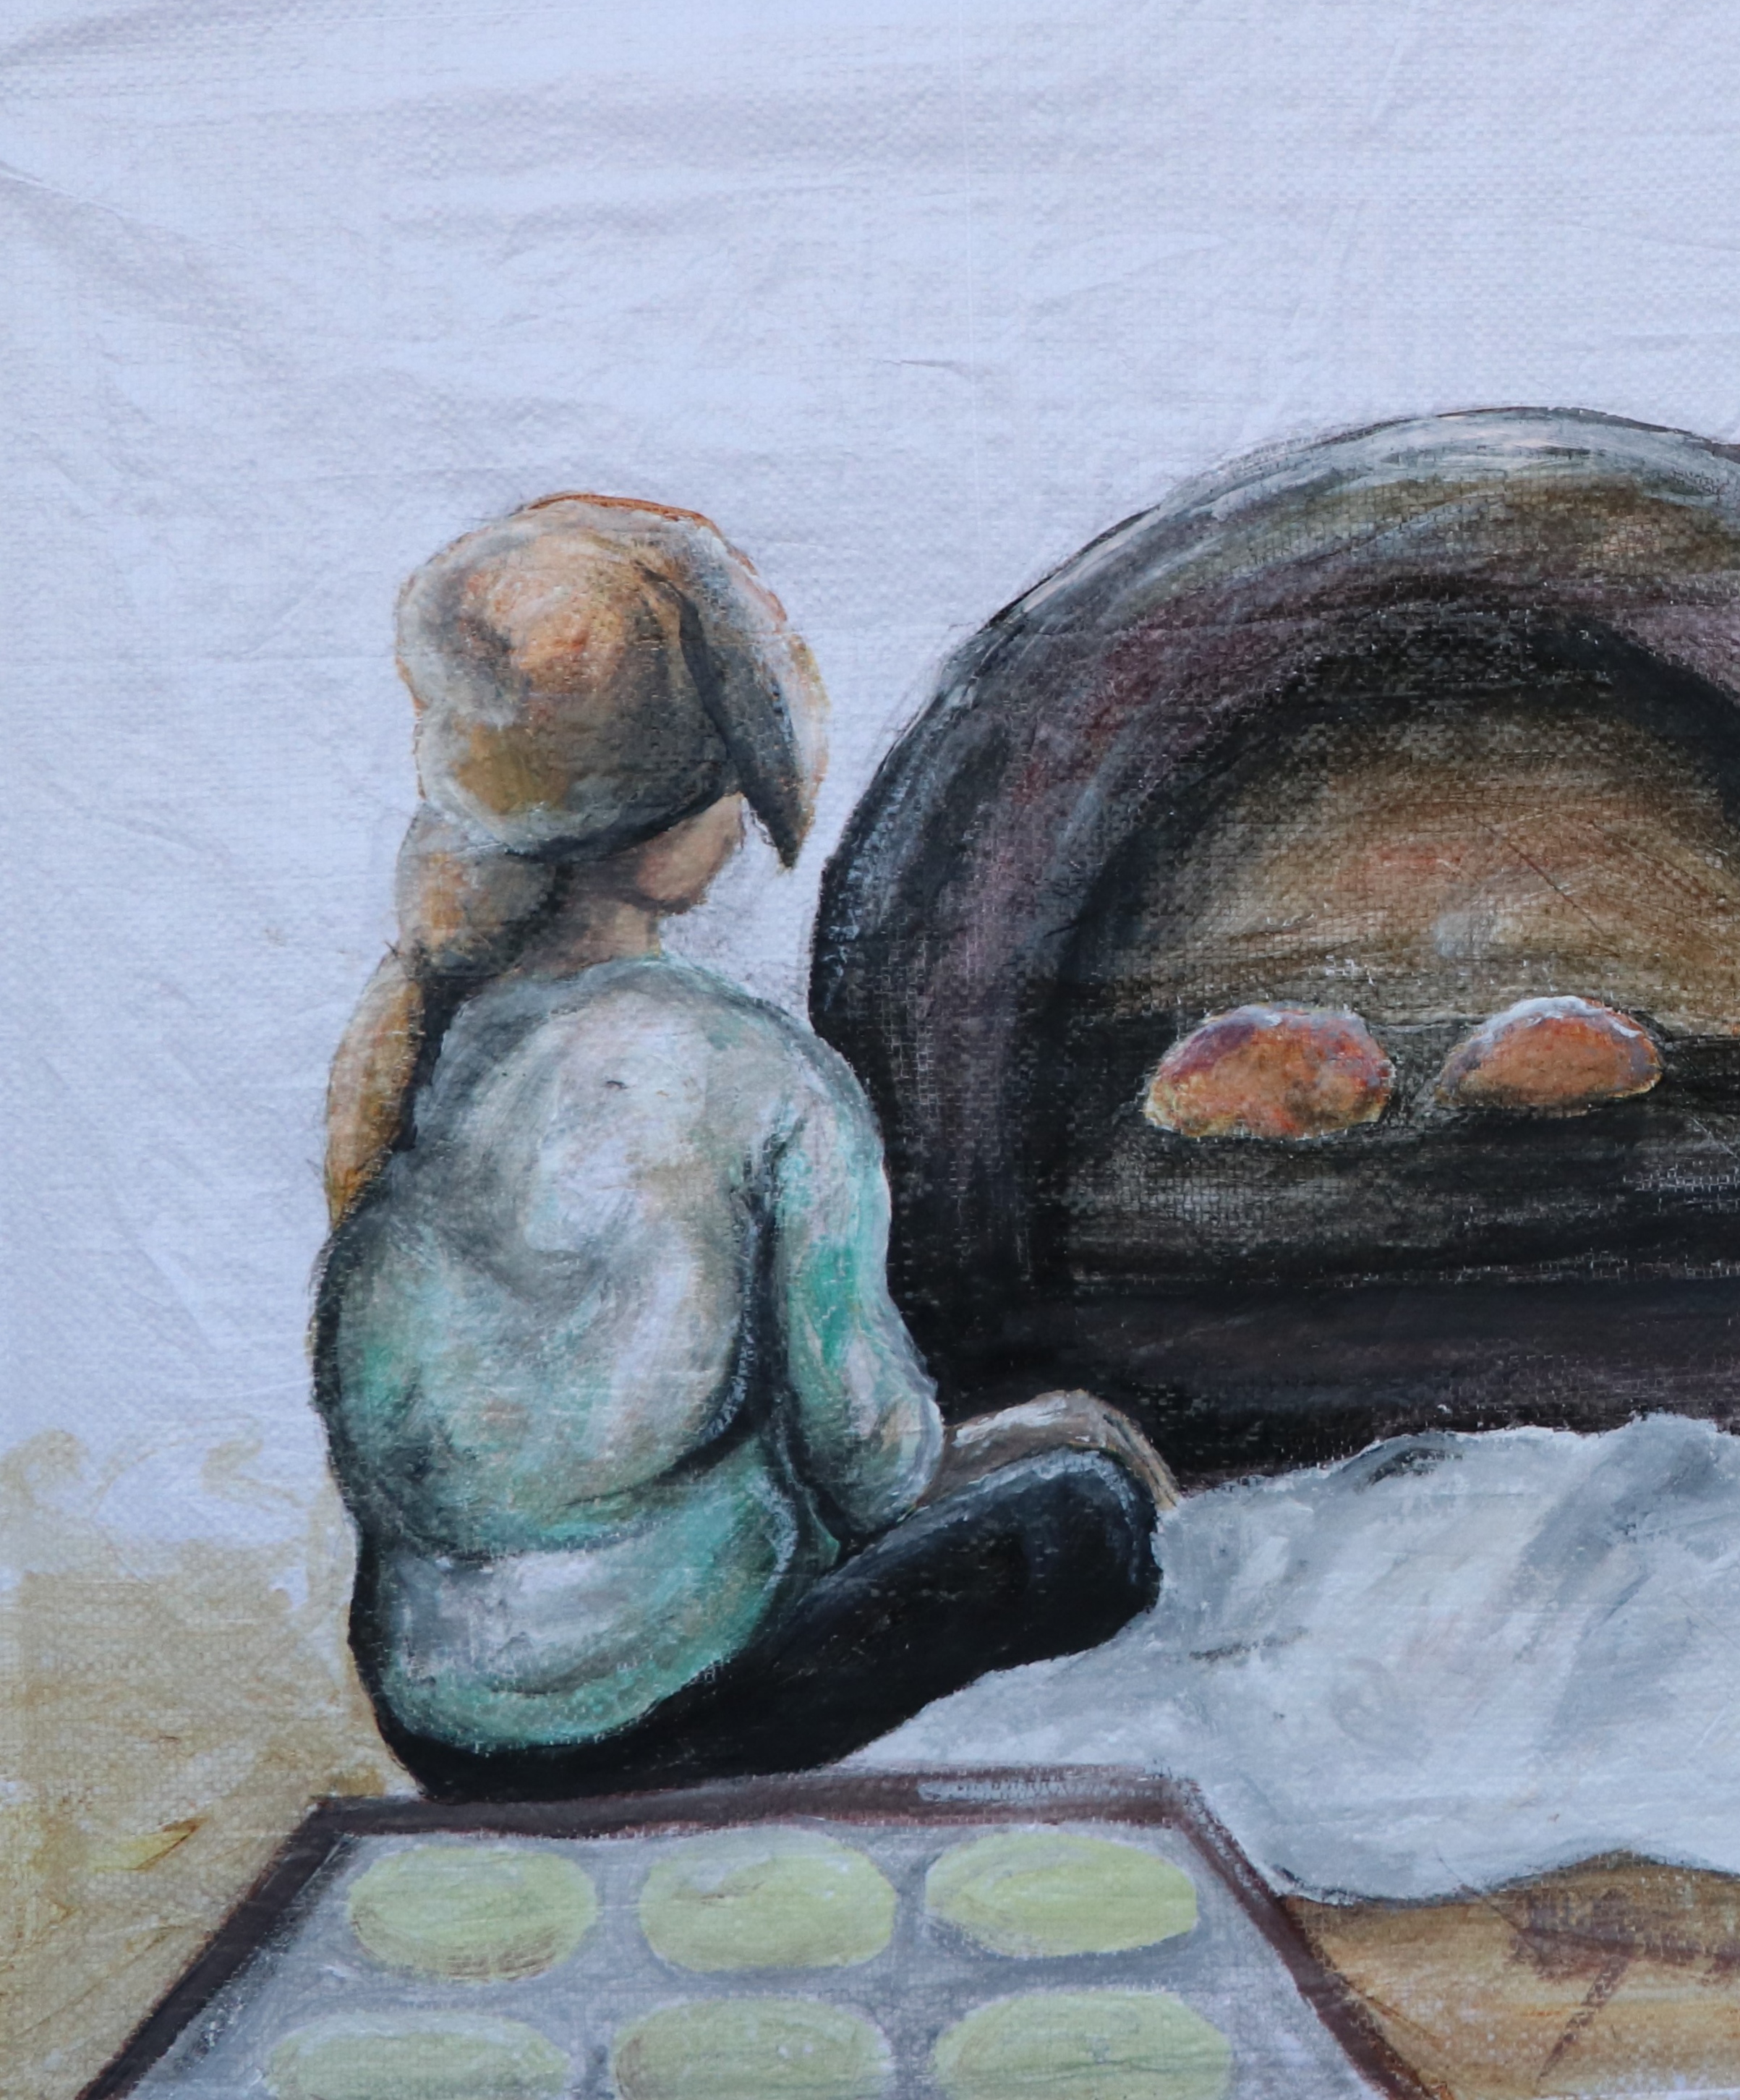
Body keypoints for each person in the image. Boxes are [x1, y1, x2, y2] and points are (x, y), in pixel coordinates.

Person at [313, 493, 1176, 1798]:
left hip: (441, 1722)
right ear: (681, 820)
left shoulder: (417, 1051)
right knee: (1089, 1519)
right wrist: (1051, 1430)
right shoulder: (760, 1073)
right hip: (676, 1709)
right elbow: (876, 1471)